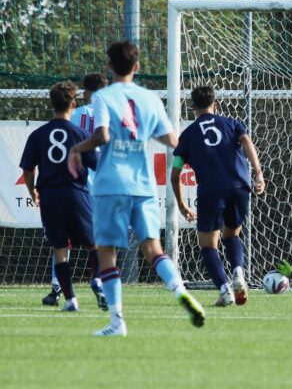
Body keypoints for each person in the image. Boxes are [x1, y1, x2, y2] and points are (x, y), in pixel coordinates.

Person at [68, 40, 205, 336]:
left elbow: (102, 135)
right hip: (142, 185)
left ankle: (117, 322)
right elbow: (173, 141)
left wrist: (78, 148)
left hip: (110, 184)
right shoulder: (151, 99)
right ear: (137, 66)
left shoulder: (103, 97)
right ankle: (180, 290)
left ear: (109, 66)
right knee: (153, 249)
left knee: (107, 253)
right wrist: (196, 159)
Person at [171, 86, 265, 307]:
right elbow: (247, 142)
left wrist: (182, 204)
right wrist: (259, 174)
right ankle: (238, 272)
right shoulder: (232, 124)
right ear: (216, 104)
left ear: (192, 107)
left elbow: (175, 173)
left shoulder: (187, 135)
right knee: (232, 234)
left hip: (210, 191)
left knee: (207, 245)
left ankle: (225, 290)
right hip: (239, 187)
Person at [20, 81, 102, 312]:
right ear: (74, 104)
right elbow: (97, 164)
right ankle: (96, 280)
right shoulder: (81, 134)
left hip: (50, 196)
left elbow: (27, 170)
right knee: (94, 243)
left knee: (60, 248)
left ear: (51, 103)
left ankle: (70, 299)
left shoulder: (38, 134)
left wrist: (32, 191)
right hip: (77, 194)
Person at [42, 73, 109, 309]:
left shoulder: (77, 116)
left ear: (83, 94)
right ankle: (98, 281)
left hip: (74, 182)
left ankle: (57, 289)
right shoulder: (110, 115)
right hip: (98, 184)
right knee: (97, 239)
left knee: (61, 241)